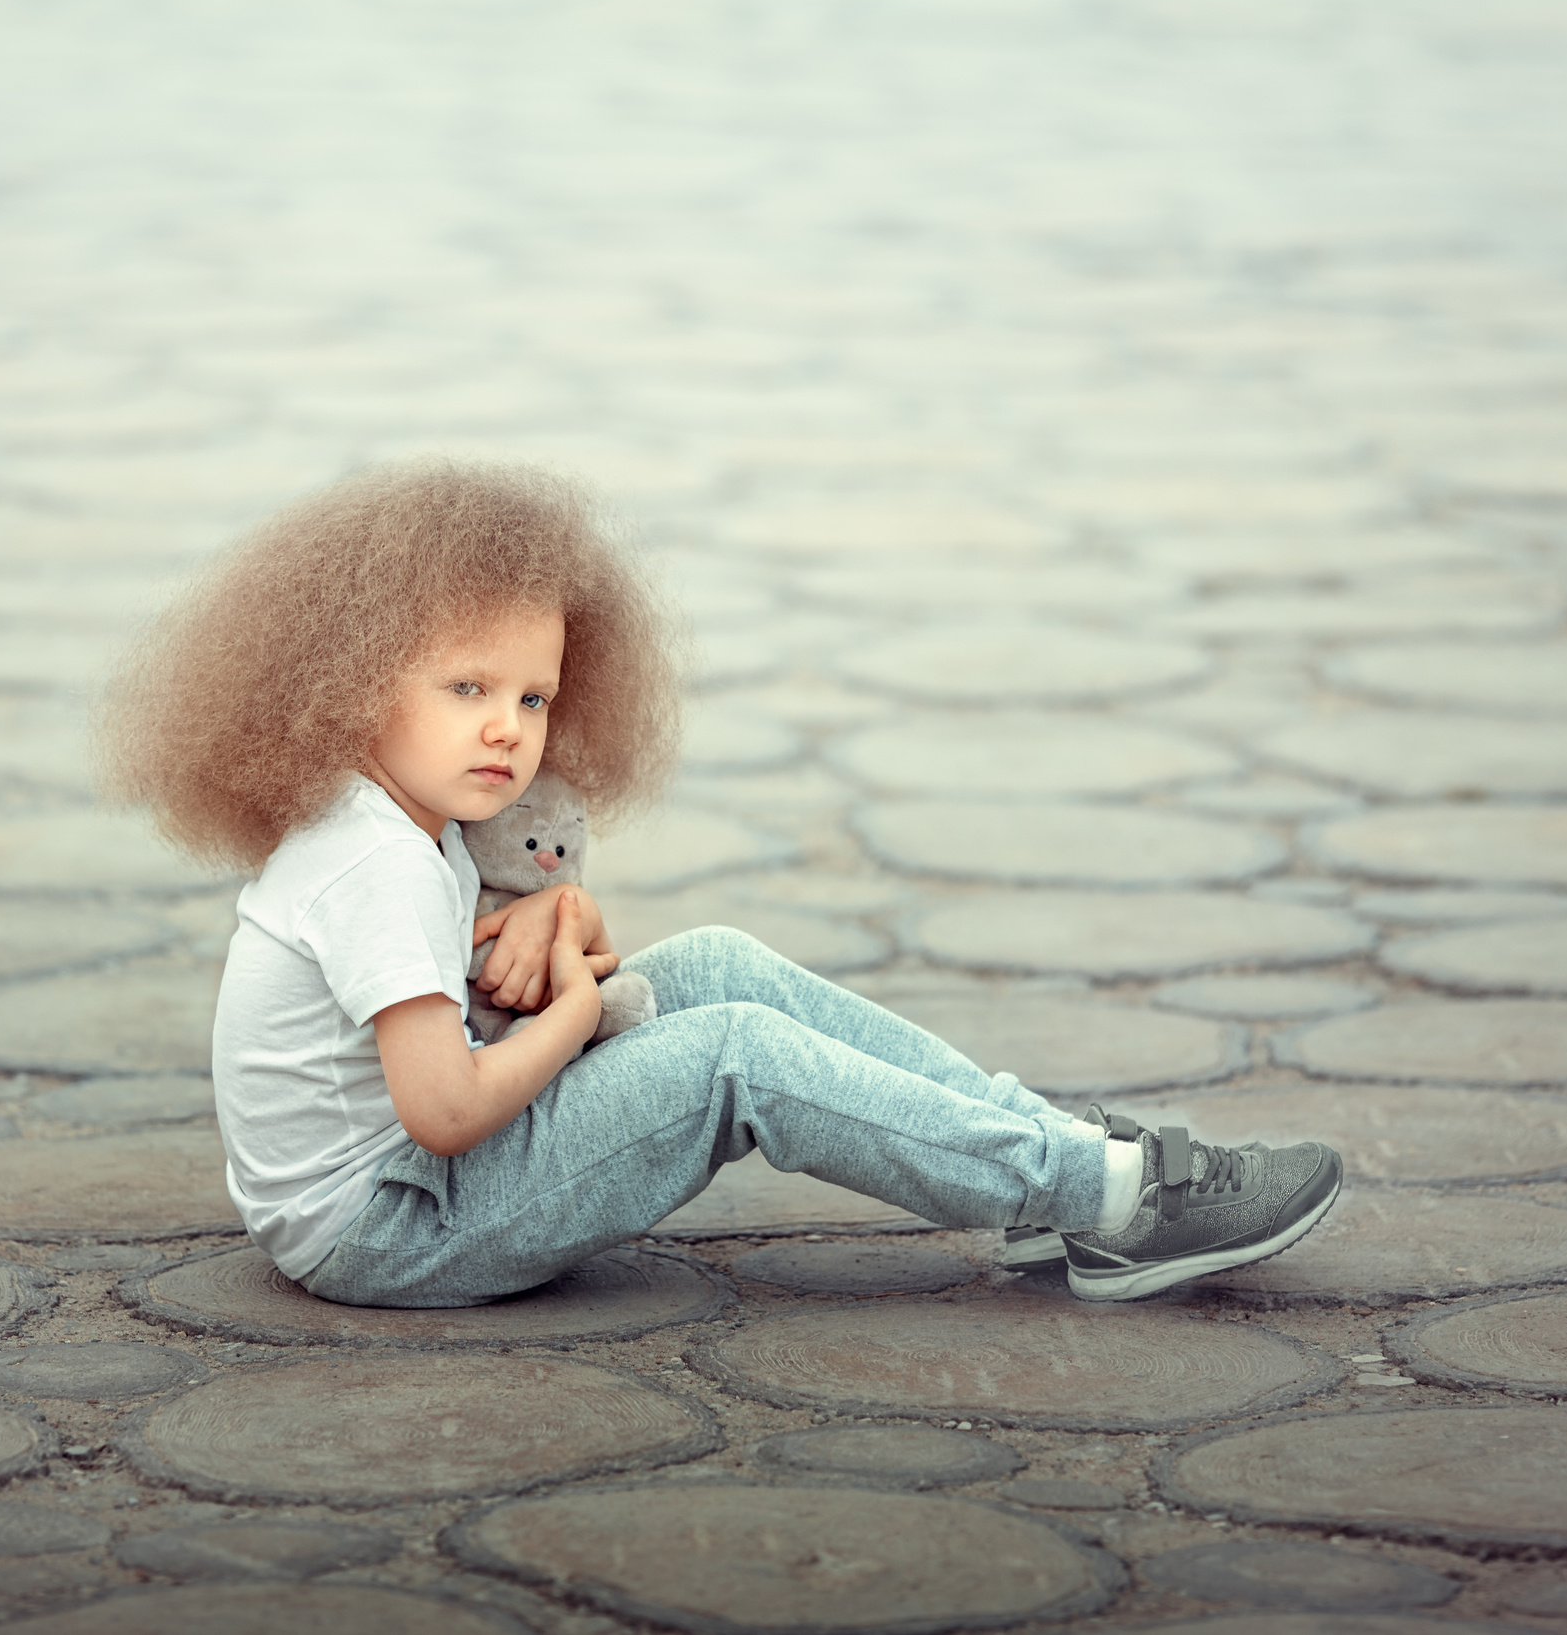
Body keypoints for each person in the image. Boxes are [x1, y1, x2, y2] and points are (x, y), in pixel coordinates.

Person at [96, 460, 1340, 1308]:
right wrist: (578, 1011)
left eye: (533, 696)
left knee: (714, 966)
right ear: (352, 679)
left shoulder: (400, 824)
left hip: (408, 1185)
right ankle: (1107, 1201)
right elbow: (445, 1110)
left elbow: (463, 971)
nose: (507, 729)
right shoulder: (368, 862)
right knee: (730, 1053)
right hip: (388, 1226)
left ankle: (1054, 1160)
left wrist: (555, 917)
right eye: (465, 688)